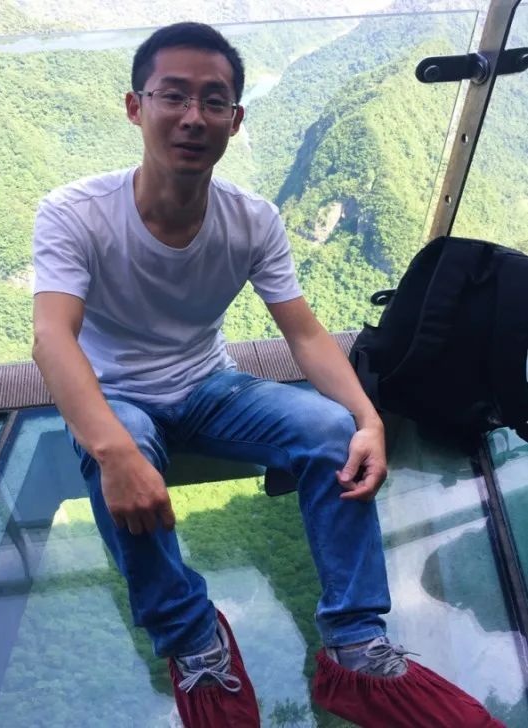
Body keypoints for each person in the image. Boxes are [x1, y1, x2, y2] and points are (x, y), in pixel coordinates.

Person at [32, 21, 503, 728]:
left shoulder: (251, 220)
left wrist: (367, 419)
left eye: (213, 101)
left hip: (209, 385)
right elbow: (51, 339)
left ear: (235, 119)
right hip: (113, 395)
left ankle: (355, 646)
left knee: (329, 430)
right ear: (136, 106)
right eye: (173, 96)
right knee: (116, 453)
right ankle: (193, 639)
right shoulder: (75, 213)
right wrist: (114, 452)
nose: (193, 116)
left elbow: (305, 335)